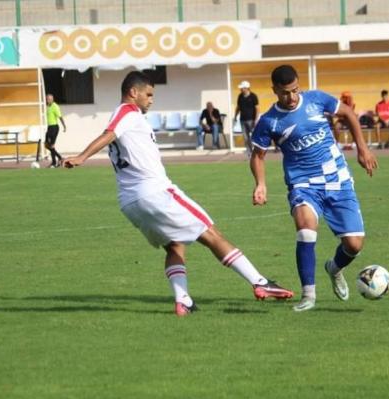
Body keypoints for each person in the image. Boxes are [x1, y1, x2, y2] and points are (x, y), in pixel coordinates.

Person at [63, 71, 293, 316]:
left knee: (174, 245)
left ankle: (183, 301)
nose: (151, 100)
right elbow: (109, 133)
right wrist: (82, 157)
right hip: (155, 192)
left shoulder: (129, 117)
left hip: (130, 202)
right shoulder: (127, 112)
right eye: (148, 94)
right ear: (133, 92)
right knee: (211, 233)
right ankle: (260, 282)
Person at [249, 65, 378, 312]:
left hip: (338, 179)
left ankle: (334, 268)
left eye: (295, 90)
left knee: (354, 245)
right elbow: (258, 156)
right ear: (274, 90)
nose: (291, 97)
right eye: (285, 92)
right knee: (306, 229)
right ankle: (308, 295)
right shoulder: (269, 121)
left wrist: (362, 149)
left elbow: (348, 113)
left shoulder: (317, 99)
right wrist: (261, 184)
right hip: (303, 184)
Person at [234, 81, 259, 155]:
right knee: (246, 137)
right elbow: (238, 107)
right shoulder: (240, 96)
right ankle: (249, 153)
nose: (241, 89)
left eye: (242, 88)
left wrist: (256, 119)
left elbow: (257, 108)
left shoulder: (253, 96)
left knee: (254, 136)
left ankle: (257, 151)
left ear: (247, 88)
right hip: (242, 120)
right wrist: (235, 116)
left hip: (251, 120)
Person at [45, 94, 67, 168]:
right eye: (47, 99)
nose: (48, 100)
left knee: (51, 146)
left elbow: (60, 117)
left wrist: (64, 126)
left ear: (52, 99)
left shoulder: (55, 106)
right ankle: (60, 158)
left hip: (54, 127)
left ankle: (54, 163)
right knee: (46, 145)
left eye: (49, 99)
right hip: (49, 127)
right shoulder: (48, 106)